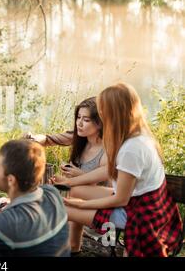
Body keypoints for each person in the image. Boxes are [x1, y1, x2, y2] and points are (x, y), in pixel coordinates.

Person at [63, 83, 183, 256]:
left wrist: (83, 205)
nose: (100, 115)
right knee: (76, 191)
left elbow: (120, 200)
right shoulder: (137, 133)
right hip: (139, 202)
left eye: (103, 110)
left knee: (63, 210)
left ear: (114, 114)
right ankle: (73, 248)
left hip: (140, 215)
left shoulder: (132, 149)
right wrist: (71, 183)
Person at [26, 97, 108, 185]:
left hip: (92, 196)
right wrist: (34, 138)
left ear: (99, 123)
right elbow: (49, 139)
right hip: (71, 192)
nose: (79, 123)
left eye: (86, 120)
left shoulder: (107, 151)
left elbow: (111, 191)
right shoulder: (78, 137)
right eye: (78, 117)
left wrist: (79, 175)